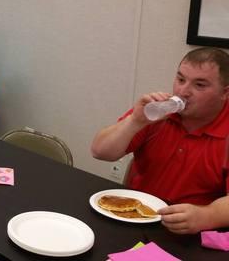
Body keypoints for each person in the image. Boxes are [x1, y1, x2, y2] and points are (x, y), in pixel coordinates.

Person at [91, 47, 229, 234]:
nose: (183, 91)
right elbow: (100, 152)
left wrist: (206, 216)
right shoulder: (159, 110)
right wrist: (134, 121)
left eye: (200, 85)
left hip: (189, 232)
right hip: (135, 219)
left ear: (225, 93)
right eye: (180, 79)